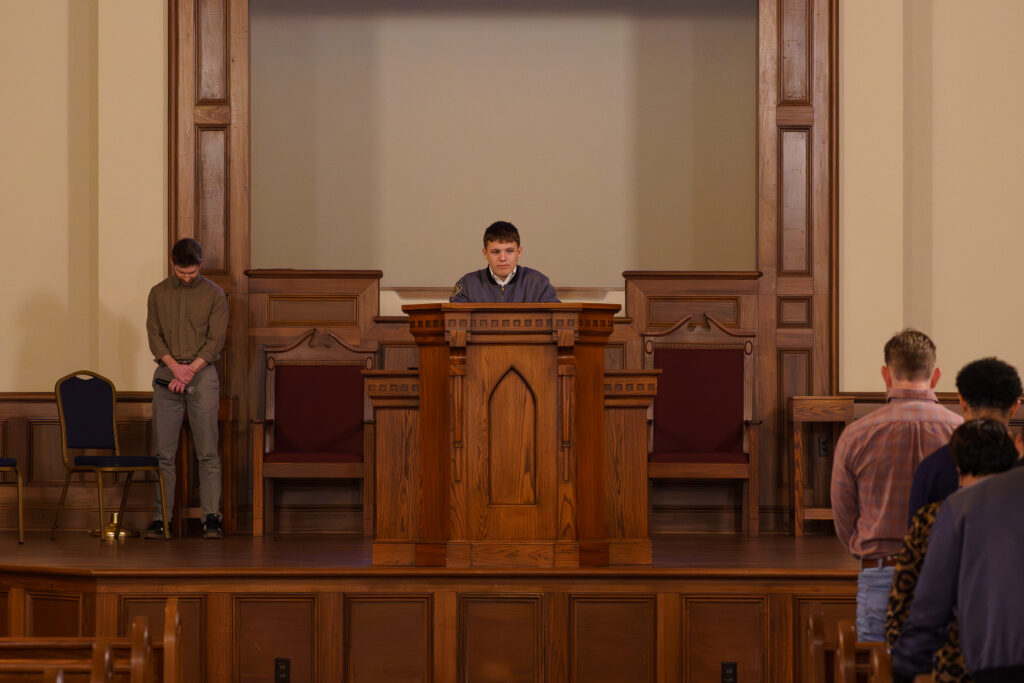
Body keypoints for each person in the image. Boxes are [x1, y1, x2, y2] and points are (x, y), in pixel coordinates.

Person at [830, 329, 962, 642]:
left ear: (886, 375)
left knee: (879, 668)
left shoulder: (856, 434)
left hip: (880, 572)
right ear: (936, 375)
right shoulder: (961, 433)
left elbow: (843, 516)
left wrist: (867, 549)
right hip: (944, 575)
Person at [887, 419, 1020, 683]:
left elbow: (920, 600)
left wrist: (904, 662)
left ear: (957, 466)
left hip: (982, 662)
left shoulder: (953, 510)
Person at [144, 238, 228, 539]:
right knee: (163, 453)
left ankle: (212, 518)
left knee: (207, 451)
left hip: (202, 374)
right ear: (173, 264)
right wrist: (175, 368)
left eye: (192, 272)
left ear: (201, 263)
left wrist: (189, 369)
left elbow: (215, 340)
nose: (187, 277)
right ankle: (160, 518)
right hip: (168, 373)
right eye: (182, 272)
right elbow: (155, 337)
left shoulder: (215, 295)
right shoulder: (158, 293)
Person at [906, 357, 1021, 524]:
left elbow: (916, 541)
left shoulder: (931, 468)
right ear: (1014, 408)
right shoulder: (1019, 466)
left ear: (963, 403)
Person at [448, 221, 560, 303]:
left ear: (519, 252)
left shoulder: (538, 283)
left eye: (509, 251)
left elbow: (558, 319)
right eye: (496, 252)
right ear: (485, 253)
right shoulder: (467, 285)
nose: (502, 258)